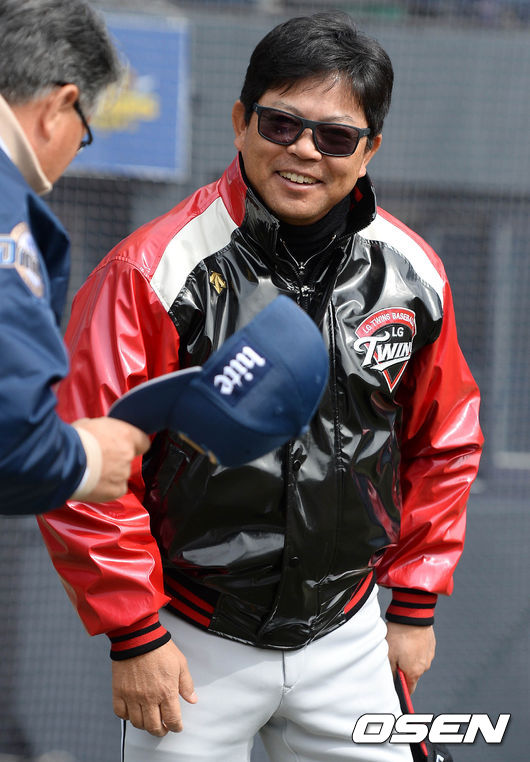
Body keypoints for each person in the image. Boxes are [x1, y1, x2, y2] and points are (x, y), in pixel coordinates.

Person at [38, 11, 483, 762]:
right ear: (242, 121)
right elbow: (83, 462)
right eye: (282, 124)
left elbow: (445, 442)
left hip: (349, 635)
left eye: (335, 136)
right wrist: (135, 634)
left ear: (370, 149)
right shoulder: (149, 272)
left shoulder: (412, 272)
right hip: (189, 643)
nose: (304, 150)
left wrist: (414, 600)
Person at [0, 0, 150, 516]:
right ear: (58, 106)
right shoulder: (7, 216)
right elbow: (12, 437)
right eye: (83, 132)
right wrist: (85, 458)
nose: (75, 149)